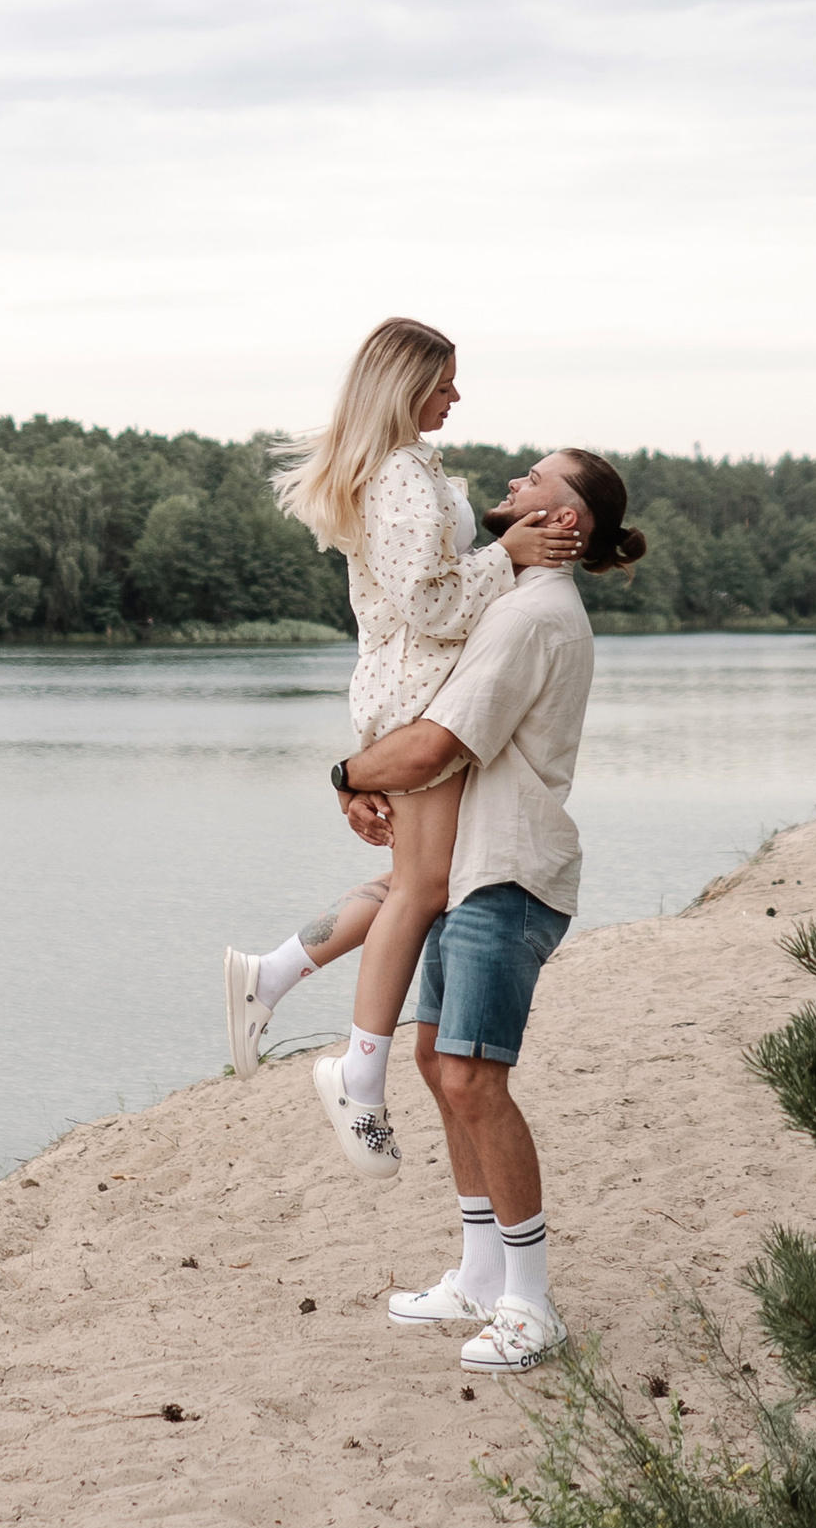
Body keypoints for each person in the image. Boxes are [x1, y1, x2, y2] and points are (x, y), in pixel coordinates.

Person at [240, 319, 582, 1182]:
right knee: (425, 886)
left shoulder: (404, 468)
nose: (456, 397)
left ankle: (273, 975)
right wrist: (506, 552)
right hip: (418, 693)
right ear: (404, 383)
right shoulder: (396, 475)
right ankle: (357, 1073)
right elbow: (430, 606)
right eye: (445, 382)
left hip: (413, 688)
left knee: (414, 880)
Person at [337, 446, 647, 1373]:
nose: (514, 484)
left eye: (536, 482)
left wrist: (350, 774)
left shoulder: (538, 617)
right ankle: (478, 1271)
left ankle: (531, 1301)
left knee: (474, 1077)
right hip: (467, 866)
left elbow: (436, 739)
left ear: (569, 521)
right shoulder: (513, 600)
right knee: (439, 1061)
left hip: (507, 873)